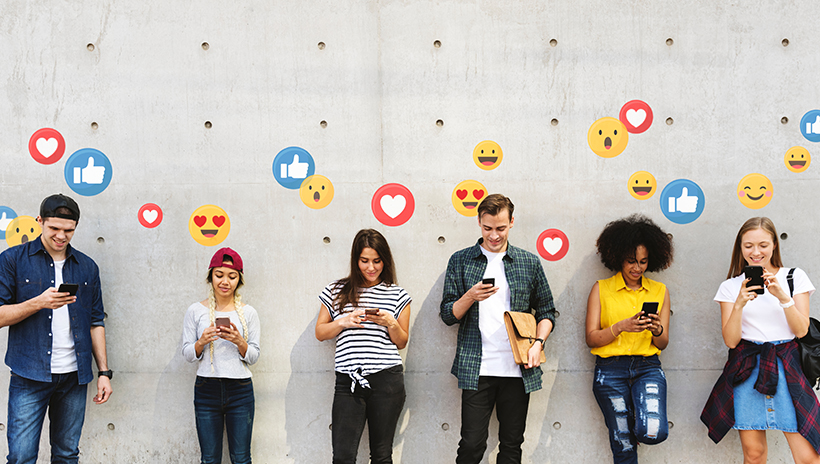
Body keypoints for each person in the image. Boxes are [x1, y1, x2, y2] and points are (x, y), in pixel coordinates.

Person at [440, 194, 557, 464]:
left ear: (512, 222)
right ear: (479, 223)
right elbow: (448, 315)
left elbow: (547, 311)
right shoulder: (461, 261)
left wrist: (538, 344)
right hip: (476, 368)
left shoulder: (528, 262)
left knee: (511, 447)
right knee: (471, 446)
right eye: (487, 228)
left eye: (500, 228)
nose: (494, 235)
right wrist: (470, 296)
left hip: (518, 367)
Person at [0, 193, 112, 463]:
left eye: (69, 230)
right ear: (40, 221)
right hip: (29, 375)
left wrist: (104, 372)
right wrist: (38, 302)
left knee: (66, 454)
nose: (61, 236)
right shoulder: (12, 259)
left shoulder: (87, 267)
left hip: (74, 377)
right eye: (54, 229)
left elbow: (96, 321)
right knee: (21, 456)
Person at [702, 217, 820, 464]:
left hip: (788, 366)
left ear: (774, 245)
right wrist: (739, 304)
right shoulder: (730, 287)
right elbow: (731, 341)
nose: (756, 252)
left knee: (809, 457)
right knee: (754, 455)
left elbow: (801, 331)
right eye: (748, 246)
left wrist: (782, 297)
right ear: (740, 247)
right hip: (748, 368)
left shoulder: (793, 277)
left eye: (763, 245)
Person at [315, 229, 411, 464]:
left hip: (387, 380)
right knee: (343, 456)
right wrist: (344, 321)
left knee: (381, 455)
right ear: (355, 260)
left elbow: (402, 341)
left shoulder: (398, 294)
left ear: (384, 261)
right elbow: (320, 332)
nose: (371, 267)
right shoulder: (336, 290)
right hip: (349, 381)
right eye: (364, 261)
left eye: (377, 261)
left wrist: (390, 322)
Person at [585, 215, 673, 464]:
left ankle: (632, 416)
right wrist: (622, 326)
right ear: (617, 258)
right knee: (623, 445)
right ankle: (624, 422)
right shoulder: (601, 288)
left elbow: (663, 343)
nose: (637, 268)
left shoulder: (660, 291)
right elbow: (591, 339)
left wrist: (656, 330)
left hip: (648, 368)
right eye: (631, 261)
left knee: (653, 431)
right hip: (610, 371)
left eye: (643, 262)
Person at [182, 247, 260, 464]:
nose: (225, 281)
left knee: (242, 458)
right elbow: (187, 354)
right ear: (210, 277)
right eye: (219, 275)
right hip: (206, 389)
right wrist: (201, 342)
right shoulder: (195, 311)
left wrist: (239, 341)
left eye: (232, 276)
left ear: (239, 280)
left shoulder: (249, 313)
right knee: (209, 459)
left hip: (241, 390)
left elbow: (254, 356)